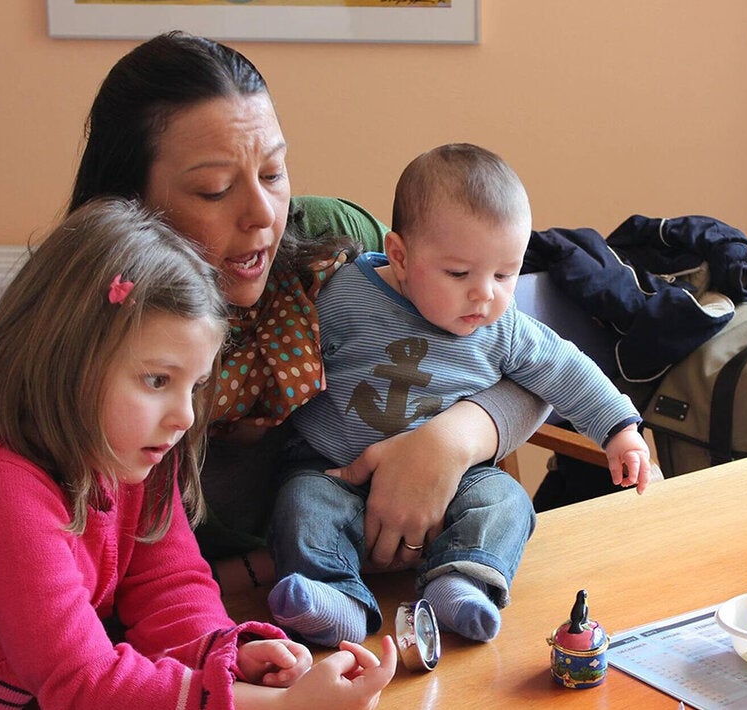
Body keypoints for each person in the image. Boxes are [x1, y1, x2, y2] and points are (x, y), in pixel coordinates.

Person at [0, 198, 395, 709]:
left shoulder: (130, 449)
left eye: (192, 386)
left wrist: (225, 655)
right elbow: (85, 686)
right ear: (67, 362)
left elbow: (169, 586)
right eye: (155, 380)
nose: (185, 416)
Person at [69, 31, 550, 571]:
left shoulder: (337, 242)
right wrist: (268, 569)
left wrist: (451, 441)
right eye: (213, 190)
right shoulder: (97, 319)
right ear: (128, 202)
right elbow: (111, 577)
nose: (262, 214)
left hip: (399, 596)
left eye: (273, 173)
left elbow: (530, 363)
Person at [266, 143, 653, 646]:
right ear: (400, 256)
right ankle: (336, 598)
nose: (484, 294)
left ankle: (461, 581)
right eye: (458, 274)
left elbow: (565, 368)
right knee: (299, 500)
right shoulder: (342, 296)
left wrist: (620, 431)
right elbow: (287, 361)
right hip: (336, 472)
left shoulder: (503, 327)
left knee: (508, 501)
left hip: (453, 486)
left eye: (503, 274)